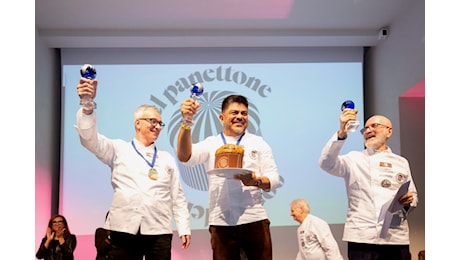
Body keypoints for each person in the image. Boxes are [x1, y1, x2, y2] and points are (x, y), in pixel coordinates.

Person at [76, 77, 191, 260]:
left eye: (159, 123)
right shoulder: (118, 149)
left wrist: (184, 226)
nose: (156, 126)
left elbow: (177, 196)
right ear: (137, 123)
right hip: (123, 228)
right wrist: (87, 106)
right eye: (152, 120)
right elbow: (89, 140)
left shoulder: (166, 158)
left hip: (159, 229)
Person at [177, 94, 281, 260]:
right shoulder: (211, 143)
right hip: (221, 222)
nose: (240, 117)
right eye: (234, 113)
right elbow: (185, 156)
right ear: (222, 117)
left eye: (244, 113)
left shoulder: (258, 143)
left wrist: (256, 181)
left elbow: (274, 178)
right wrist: (186, 122)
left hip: (254, 219)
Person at [318, 111, 418, 260]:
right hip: (362, 237)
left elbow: (413, 195)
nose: (368, 130)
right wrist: (341, 132)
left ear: (388, 131)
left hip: (396, 237)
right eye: (365, 129)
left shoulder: (402, 162)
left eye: (374, 126)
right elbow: (326, 163)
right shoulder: (354, 159)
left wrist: (408, 201)